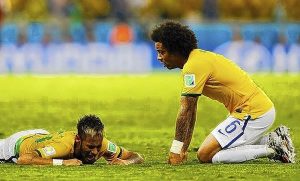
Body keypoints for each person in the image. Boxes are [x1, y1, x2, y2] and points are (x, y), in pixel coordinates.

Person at [150, 21, 295, 165]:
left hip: (252, 112)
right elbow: (191, 109)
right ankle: (274, 139)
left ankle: (274, 149)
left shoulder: (193, 66)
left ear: (176, 50)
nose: (159, 57)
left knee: (205, 154)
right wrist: (183, 149)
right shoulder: (197, 59)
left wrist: (176, 150)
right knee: (216, 149)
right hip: (255, 109)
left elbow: (186, 110)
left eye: (162, 52)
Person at [0, 115, 144, 166]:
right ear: (78, 140)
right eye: (90, 147)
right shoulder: (64, 146)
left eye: (97, 146)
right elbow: (24, 159)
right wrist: (63, 162)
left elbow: (136, 156)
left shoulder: (102, 144)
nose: (95, 152)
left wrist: (126, 162)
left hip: (41, 135)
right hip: (14, 146)